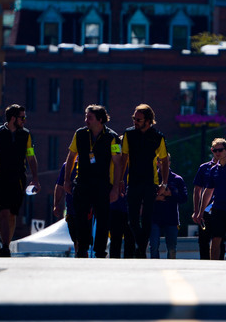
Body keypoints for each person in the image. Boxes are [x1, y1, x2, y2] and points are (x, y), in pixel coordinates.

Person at [63, 105, 122, 258]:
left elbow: (118, 163)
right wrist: (67, 180)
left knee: (102, 219)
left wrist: (115, 188)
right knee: (81, 217)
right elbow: (71, 157)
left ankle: (100, 251)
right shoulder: (80, 134)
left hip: (102, 185)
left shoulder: (112, 137)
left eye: (90, 117)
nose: (86, 120)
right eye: (85, 116)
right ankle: (82, 249)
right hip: (82, 183)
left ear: (100, 119)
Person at [0, 104, 40, 257]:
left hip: (18, 178)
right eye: (22, 118)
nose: (25, 121)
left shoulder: (26, 135)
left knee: (13, 214)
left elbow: (31, 157)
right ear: (13, 118)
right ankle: (6, 246)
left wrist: (35, 178)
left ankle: (6, 243)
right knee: (3, 212)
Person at [121, 103, 169, 258]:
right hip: (133, 181)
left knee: (147, 218)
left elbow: (164, 160)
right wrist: (120, 180)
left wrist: (164, 183)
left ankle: (140, 251)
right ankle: (141, 247)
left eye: (139, 119)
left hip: (150, 182)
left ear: (148, 121)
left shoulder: (157, 137)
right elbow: (124, 158)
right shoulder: (129, 134)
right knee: (132, 220)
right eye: (134, 118)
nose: (135, 121)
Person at [192, 144, 226, 260]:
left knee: (219, 239)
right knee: (203, 240)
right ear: (212, 150)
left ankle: (220, 264)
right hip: (205, 209)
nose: (217, 152)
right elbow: (197, 190)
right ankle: (205, 264)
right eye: (215, 150)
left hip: (221, 208)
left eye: (220, 150)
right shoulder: (204, 168)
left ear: (225, 150)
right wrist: (196, 211)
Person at [149, 158, 187, 259]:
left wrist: (170, 194)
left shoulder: (177, 179)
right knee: (153, 246)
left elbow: (184, 198)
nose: (162, 164)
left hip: (171, 218)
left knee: (171, 248)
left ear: (169, 162)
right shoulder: (152, 178)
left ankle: (171, 270)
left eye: (165, 161)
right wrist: (156, 198)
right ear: (157, 163)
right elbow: (143, 197)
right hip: (154, 218)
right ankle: (154, 270)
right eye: (159, 161)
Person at [108, 138, 134, 258]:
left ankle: (129, 262)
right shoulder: (115, 157)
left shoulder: (133, 161)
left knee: (130, 238)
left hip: (130, 205)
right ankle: (114, 261)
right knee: (115, 238)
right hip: (115, 205)